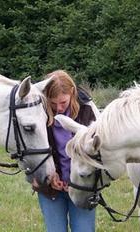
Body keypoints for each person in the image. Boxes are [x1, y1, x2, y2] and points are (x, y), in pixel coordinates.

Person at [32, 70, 100, 232]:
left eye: (63, 102)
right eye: (53, 104)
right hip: (50, 189)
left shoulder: (87, 109)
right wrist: (47, 176)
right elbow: (30, 149)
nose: (59, 108)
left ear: (72, 93)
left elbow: (99, 149)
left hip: (83, 187)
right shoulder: (37, 111)